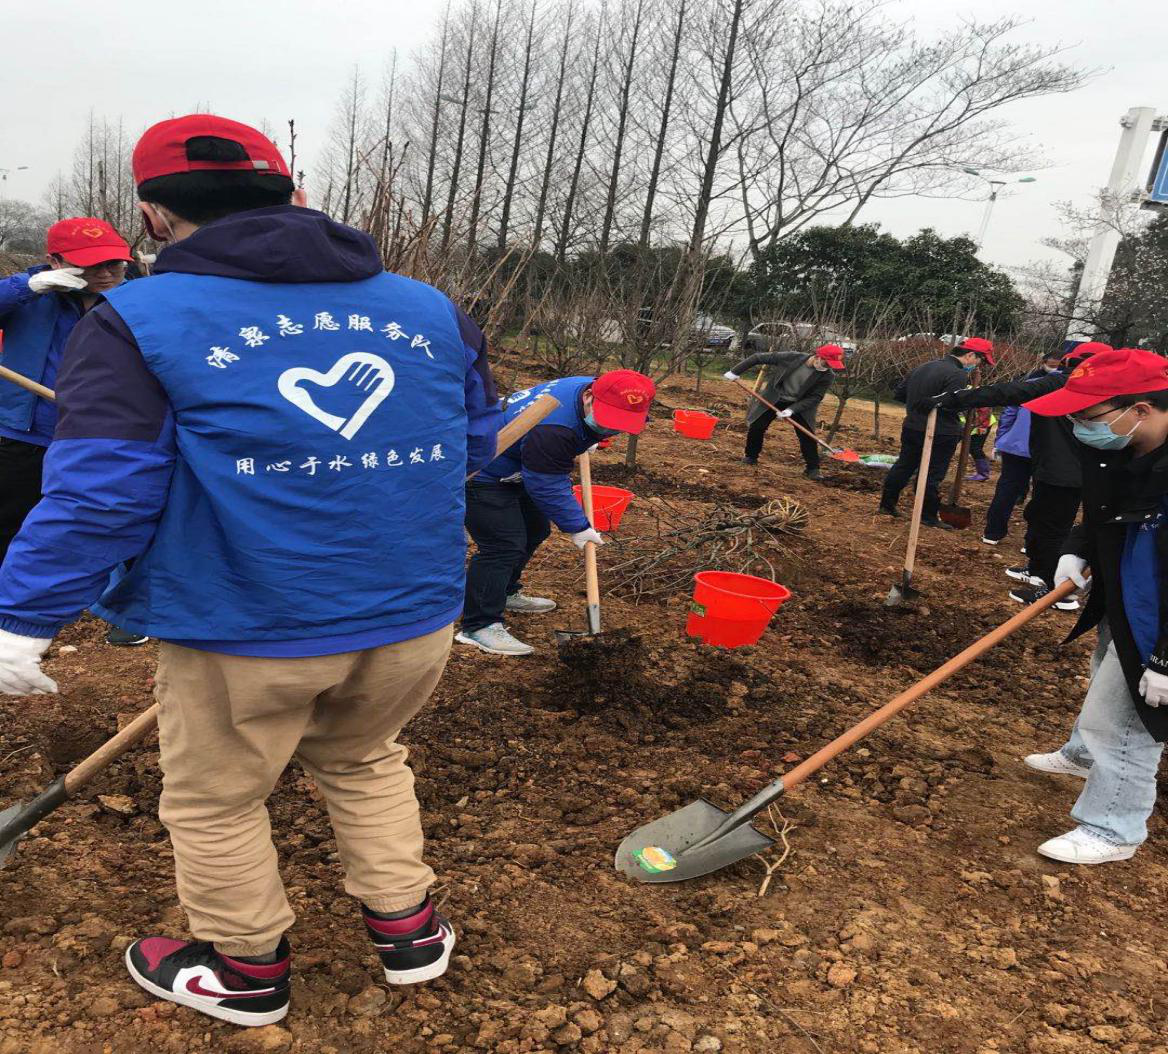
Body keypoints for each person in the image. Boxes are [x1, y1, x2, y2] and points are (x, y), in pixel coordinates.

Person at [0, 113, 502, 1027]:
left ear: (153, 216)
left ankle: (245, 971)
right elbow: (472, 447)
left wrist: (22, 617)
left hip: (244, 622)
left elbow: (103, 496)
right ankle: (410, 932)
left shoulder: (137, 321)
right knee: (364, 756)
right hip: (415, 614)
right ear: (294, 194)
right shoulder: (432, 311)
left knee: (217, 799)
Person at [1016, 347, 1168, 864]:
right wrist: (1077, 548)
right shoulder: (1123, 448)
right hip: (1127, 592)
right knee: (1105, 668)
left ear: (1141, 409)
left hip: (1157, 613)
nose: (1078, 425)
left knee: (1125, 719)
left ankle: (1113, 828)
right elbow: (1105, 510)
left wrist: (1165, 658)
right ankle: (1083, 755)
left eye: (1086, 415)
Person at [0, 218, 146, 647]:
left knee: (122, 518)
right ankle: (10, 617)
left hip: (106, 432)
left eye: (114, 262)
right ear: (55, 261)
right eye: (92, 264)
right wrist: (28, 287)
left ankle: (131, 611)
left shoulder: (138, 299)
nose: (106, 272)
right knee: (11, 521)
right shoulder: (30, 297)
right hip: (26, 431)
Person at [458, 370, 656, 656]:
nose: (611, 428)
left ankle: (504, 591)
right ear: (589, 397)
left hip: (520, 465)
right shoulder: (554, 429)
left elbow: (556, 455)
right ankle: (479, 625)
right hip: (483, 471)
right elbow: (546, 483)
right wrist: (578, 526)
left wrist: (591, 434)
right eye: (607, 420)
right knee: (503, 545)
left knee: (536, 529)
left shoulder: (592, 387)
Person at [932, 342, 1110, 610]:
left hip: (1066, 471)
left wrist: (954, 399)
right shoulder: (1086, 388)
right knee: (1038, 516)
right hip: (1052, 466)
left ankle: (1057, 592)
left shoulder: (1067, 384)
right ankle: (1038, 569)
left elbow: (1009, 392)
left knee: (1053, 527)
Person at [878, 337, 996, 527]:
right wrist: (968, 402)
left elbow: (900, 394)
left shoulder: (923, 367)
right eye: (980, 360)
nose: (978, 365)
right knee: (932, 473)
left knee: (904, 465)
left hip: (912, 426)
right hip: (941, 432)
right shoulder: (957, 375)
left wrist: (918, 406)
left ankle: (887, 504)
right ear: (970, 355)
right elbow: (951, 404)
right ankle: (927, 515)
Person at [722, 342, 845, 479]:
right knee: (757, 426)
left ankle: (813, 469)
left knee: (807, 435)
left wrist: (791, 410)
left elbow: (815, 397)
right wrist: (735, 371)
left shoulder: (827, 376)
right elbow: (757, 357)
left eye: (831, 366)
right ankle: (751, 457)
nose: (827, 367)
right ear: (818, 356)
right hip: (774, 398)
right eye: (826, 363)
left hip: (800, 405)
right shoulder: (791, 357)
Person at [979, 350, 1064, 545]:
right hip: (1048, 450)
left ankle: (992, 533)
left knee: (1007, 489)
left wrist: (1001, 440)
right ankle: (1031, 541)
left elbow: (1009, 413)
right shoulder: (1070, 390)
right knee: (1042, 495)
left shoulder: (1030, 385)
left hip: (1016, 446)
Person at [964, 407, 996, 482]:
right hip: (975, 423)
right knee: (973, 448)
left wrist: (981, 426)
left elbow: (984, 411)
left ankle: (983, 474)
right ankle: (982, 472)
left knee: (975, 448)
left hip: (982, 423)